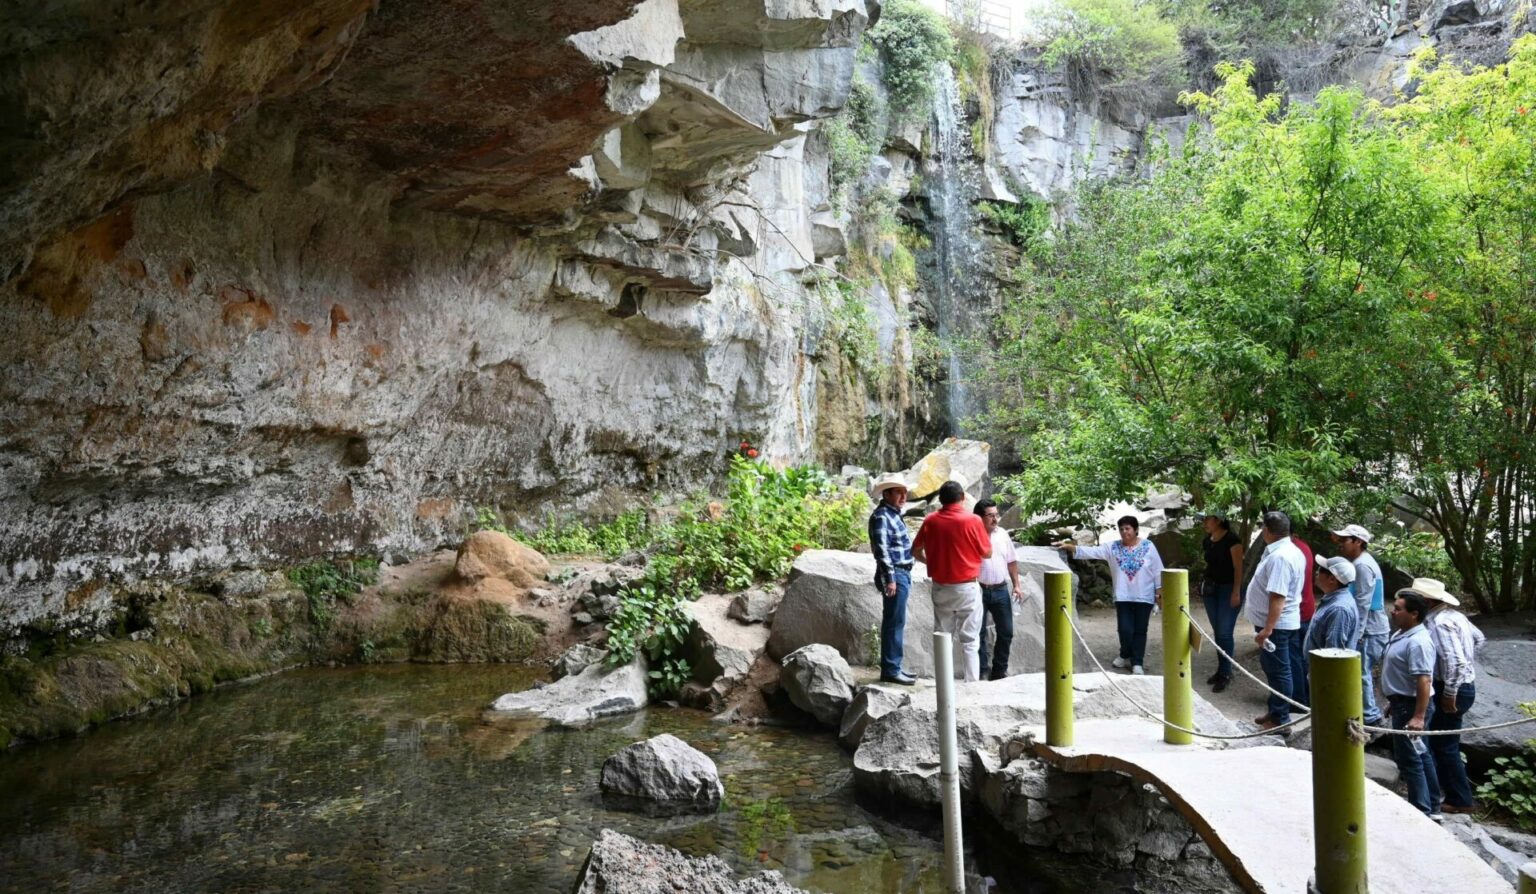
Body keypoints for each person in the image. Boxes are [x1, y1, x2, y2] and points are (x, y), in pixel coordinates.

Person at [1058, 516, 1164, 675]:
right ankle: (1125, 653)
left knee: (1140, 630)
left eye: (1127, 528)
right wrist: (1070, 547)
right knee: (1125, 629)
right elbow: (1092, 551)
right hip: (1123, 596)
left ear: (1135, 530)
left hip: (1145, 595)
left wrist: (1159, 591)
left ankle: (1137, 662)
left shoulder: (1149, 547)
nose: (1124, 532)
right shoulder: (1113, 548)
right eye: (1121, 529)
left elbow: (1157, 570)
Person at [912, 481, 992, 682]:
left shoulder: (930, 520)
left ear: (940, 500)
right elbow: (988, 552)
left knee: (943, 636)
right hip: (967, 587)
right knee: (971, 640)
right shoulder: (972, 520)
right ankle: (972, 685)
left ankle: (943, 685)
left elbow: (915, 550)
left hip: (941, 586)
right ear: (963, 498)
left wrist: (931, 562)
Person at [1418, 578, 1486, 815]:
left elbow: (1454, 661)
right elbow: (1479, 638)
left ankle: (1459, 799)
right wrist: (1467, 663)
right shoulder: (1455, 616)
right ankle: (1454, 795)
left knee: (1444, 745)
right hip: (1462, 684)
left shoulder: (1438, 624)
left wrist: (1449, 691)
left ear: (1426, 600)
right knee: (1445, 743)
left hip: (1451, 687)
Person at [1243, 511, 1306, 731]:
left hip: (1276, 625)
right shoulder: (1288, 551)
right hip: (1277, 622)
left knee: (1280, 671)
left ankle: (1281, 718)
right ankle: (1276, 709)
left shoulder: (1282, 556)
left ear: (1267, 531)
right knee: (1274, 669)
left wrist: (1268, 628)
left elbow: (1278, 595)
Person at [1381, 588, 1441, 817]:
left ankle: (1421, 810)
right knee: (1421, 755)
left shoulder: (1418, 642)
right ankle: (1432, 805)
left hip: (1411, 707)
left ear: (1414, 614)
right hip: (1402, 703)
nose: (1392, 611)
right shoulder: (1402, 634)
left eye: (1398, 609)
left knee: (1410, 760)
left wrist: (1418, 716)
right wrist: (1393, 700)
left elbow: (1424, 680)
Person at [1334, 524, 1387, 726]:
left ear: (1358, 542)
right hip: (1371, 628)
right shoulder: (1362, 562)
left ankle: (1370, 716)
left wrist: (1356, 634)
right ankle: (1366, 712)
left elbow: (1363, 603)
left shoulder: (1362, 565)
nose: (1340, 544)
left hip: (1371, 630)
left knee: (1361, 671)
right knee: (1361, 671)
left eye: (1345, 540)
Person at [868, 473, 916, 685]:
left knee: (896, 621)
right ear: (886, 494)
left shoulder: (893, 514)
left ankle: (894, 667)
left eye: (904, 492)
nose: (903, 496)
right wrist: (890, 579)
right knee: (894, 622)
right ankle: (890, 669)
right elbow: (882, 550)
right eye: (898, 492)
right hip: (895, 573)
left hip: (901, 572)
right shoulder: (882, 517)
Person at [975, 500, 1024, 680]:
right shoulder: (973, 534)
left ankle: (999, 671)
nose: (995, 519)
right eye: (990, 515)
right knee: (977, 633)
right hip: (978, 590)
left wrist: (1017, 585)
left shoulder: (1002, 534)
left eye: (996, 514)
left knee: (1006, 631)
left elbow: (1011, 561)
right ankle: (980, 671)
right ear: (979, 517)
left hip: (1001, 589)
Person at [1199, 515, 1244, 692]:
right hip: (1211, 589)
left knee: (1224, 632)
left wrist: (1236, 591)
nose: (1204, 523)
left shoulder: (1233, 540)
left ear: (1218, 520)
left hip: (1228, 588)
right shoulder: (1207, 541)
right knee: (1218, 631)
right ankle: (1222, 670)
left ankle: (1226, 673)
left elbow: (1238, 567)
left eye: (1207, 520)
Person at [1304, 555, 1359, 654]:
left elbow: (1333, 653)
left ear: (1332, 579)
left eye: (1320, 570)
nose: (1316, 572)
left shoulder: (1339, 609)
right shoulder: (1333, 600)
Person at [1289, 534, 1316, 706]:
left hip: (1297, 611)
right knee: (1302, 657)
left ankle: (1298, 700)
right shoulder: (1303, 546)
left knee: (1294, 659)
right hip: (1305, 607)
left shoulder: (1291, 551)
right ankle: (1306, 696)